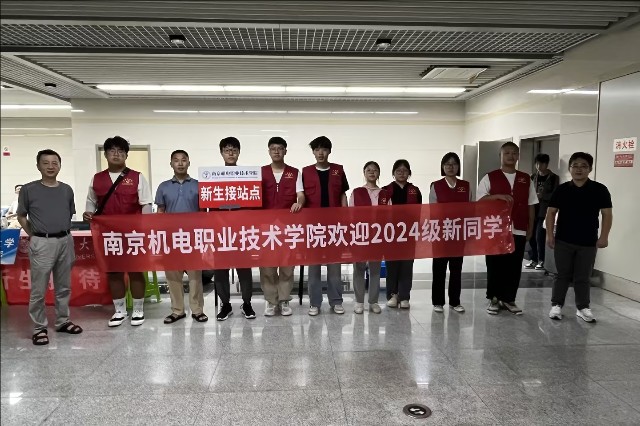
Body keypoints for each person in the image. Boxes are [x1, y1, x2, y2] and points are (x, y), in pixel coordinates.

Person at [83, 136, 153, 327]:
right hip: (108, 235)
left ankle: (138, 310)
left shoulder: (137, 177)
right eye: (112, 151)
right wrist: (88, 213)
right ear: (105, 154)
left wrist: (145, 230)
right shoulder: (97, 179)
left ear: (126, 155)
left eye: (121, 151)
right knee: (114, 272)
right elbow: (91, 202)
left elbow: (146, 204)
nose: (116, 154)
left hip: (133, 235)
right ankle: (119, 311)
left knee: (135, 272)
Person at [17, 149, 81, 345]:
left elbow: (68, 214)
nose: (51, 166)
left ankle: (63, 321)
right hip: (41, 242)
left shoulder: (67, 190)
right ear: (38, 166)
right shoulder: (28, 190)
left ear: (60, 165)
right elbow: (21, 216)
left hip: (65, 240)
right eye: (45, 163)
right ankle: (39, 327)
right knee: (39, 288)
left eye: (55, 163)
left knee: (64, 286)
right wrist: (35, 235)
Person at [547, 152, 612, 323]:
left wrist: (604, 236)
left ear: (590, 169)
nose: (579, 169)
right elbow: (551, 212)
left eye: (583, 166)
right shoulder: (561, 190)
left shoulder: (600, 190)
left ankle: (583, 307)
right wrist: (549, 235)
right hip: (563, 240)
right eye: (575, 165)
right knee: (562, 274)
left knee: (583, 276)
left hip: (588, 242)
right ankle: (556, 305)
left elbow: (607, 214)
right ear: (570, 168)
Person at [477, 142, 537, 315]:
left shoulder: (526, 179)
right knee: (495, 264)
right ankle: (494, 298)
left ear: (518, 156)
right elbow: (480, 201)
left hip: (519, 228)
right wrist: (497, 196)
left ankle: (509, 298)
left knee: (514, 265)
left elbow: (531, 204)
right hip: (495, 229)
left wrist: (530, 227)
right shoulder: (490, 177)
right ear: (500, 156)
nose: (511, 156)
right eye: (507, 153)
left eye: (514, 153)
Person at [155, 150, 208, 324]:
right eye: (176, 160)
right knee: (173, 277)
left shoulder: (198, 185)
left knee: (195, 277)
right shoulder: (163, 187)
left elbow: (203, 213)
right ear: (171, 164)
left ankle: (197, 310)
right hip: (171, 239)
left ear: (189, 163)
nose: (180, 163)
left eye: (183, 160)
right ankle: (177, 311)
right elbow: (160, 212)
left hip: (193, 238)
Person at [302, 136, 349, 316]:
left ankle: (336, 301)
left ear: (329, 151)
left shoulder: (338, 170)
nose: (320, 153)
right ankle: (314, 303)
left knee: (334, 265)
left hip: (334, 226)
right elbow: (302, 197)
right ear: (313, 152)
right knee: (313, 266)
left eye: (324, 149)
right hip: (313, 227)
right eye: (317, 149)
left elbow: (343, 195)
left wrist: (345, 217)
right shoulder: (306, 172)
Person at [260, 137, 305, 317]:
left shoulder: (294, 173)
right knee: (267, 265)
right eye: (273, 148)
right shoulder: (261, 172)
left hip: (288, 226)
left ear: (285, 151)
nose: (276, 151)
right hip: (266, 226)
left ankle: (284, 300)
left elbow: (300, 194)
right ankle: (271, 301)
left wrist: (299, 203)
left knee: (287, 264)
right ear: (269, 151)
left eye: (280, 148)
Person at [214, 136, 256, 321]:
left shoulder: (247, 176)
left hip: (242, 232)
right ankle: (225, 304)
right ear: (221, 153)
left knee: (244, 269)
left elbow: (253, 204)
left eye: (234, 150)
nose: (230, 153)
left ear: (239, 153)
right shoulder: (213, 177)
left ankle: (247, 303)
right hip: (219, 231)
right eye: (227, 150)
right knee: (220, 270)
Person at [429, 152, 471, 314]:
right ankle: (438, 302)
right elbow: (433, 211)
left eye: (454, 164)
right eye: (447, 164)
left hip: (459, 234)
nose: (450, 167)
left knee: (456, 269)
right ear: (442, 166)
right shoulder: (436, 185)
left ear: (458, 166)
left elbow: (470, 210)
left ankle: (455, 301)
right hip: (441, 233)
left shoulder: (466, 186)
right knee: (439, 269)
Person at [350, 161, 389, 314]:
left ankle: (373, 301)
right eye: (368, 170)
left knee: (375, 269)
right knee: (359, 268)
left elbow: (390, 216)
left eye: (375, 170)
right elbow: (350, 214)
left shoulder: (384, 194)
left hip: (378, 236)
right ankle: (359, 302)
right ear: (364, 173)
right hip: (360, 234)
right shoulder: (357, 192)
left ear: (379, 173)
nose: (372, 172)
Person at [383, 159, 422, 309]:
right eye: (398, 170)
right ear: (393, 173)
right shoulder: (385, 190)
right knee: (392, 265)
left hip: (409, 235)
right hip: (390, 234)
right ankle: (392, 295)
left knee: (407, 265)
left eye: (405, 170)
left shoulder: (415, 191)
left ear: (409, 173)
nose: (402, 173)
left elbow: (419, 212)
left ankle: (404, 296)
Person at [525, 153, 559, 270]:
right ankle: (533, 259)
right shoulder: (532, 176)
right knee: (531, 235)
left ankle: (541, 260)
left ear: (547, 164)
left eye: (542, 164)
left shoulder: (553, 177)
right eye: (537, 163)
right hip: (532, 210)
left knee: (539, 236)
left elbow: (555, 194)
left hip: (545, 211)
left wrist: (542, 196)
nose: (539, 166)